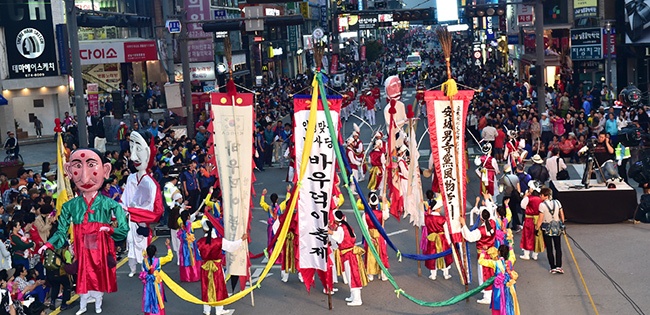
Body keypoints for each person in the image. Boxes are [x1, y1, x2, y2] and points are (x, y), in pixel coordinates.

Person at [39, 148, 129, 315]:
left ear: (106, 170)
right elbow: (61, 232)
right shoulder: (69, 206)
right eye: (77, 167)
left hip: (100, 249)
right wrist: (48, 245)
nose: (85, 176)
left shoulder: (110, 204)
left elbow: (123, 229)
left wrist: (109, 229)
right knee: (83, 277)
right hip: (82, 250)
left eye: (91, 165)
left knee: (97, 276)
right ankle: (83, 305)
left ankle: (98, 303)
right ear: (69, 171)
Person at [121, 131, 164, 278]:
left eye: (137, 149)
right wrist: (124, 209)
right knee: (130, 245)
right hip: (130, 220)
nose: (133, 156)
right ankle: (132, 268)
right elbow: (124, 199)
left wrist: (133, 210)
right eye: (131, 148)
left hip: (142, 222)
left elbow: (154, 210)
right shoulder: (131, 178)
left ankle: (144, 266)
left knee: (142, 245)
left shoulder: (150, 183)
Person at [197, 219, 246, 315]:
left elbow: (199, 254)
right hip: (216, 267)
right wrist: (242, 239)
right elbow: (232, 246)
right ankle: (219, 309)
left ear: (204, 230)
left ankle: (206, 310)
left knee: (206, 287)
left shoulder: (200, 242)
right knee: (219, 287)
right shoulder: (219, 241)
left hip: (205, 268)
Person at [328, 210, 365, 306]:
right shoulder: (347, 226)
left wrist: (330, 232)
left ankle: (357, 299)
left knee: (352, 275)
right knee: (350, 275)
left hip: (348, 254)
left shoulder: (340, 228)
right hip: (349, 253)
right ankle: (353, 296)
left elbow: (338, 238)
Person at [460, 209, 496, 304]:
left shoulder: (481, 231)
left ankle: (487, 296)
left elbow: (469, 237)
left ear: (481, 218)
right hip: (492, 253)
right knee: (490, 273)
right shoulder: (493, 224)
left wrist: (463, 224)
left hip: (483, 255)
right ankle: (491, 293)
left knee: (484, 274)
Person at [478, 244, 520, 315]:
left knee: (498, 304)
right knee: (509, 303)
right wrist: (510, 247)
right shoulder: (510, 262)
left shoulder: (495, 263)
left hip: (499, 288)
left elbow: (481, 261)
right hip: (509, 287)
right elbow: (513, 256)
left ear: (499, 253)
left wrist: (483, 252)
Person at [357, 192, 389, 282]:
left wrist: (369, 237)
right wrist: (385, 203)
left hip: (370, 235)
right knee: (382, 254)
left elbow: (365, 228)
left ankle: (370, 274)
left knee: (370, 254)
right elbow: (387, 215)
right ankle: (383, 274)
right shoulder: (381, 213)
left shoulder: (365, 215)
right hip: (380, 235)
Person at [423, 191, 452, 281]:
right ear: (438, 209)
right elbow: (446, 230)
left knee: (432, 256)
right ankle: (446, 274)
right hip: (442, 238)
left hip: (432, 239)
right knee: (444, 256)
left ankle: (433, 275)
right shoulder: (442, 219)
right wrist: (449, 240)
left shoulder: (427, 217)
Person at [536, 187, 565, 274]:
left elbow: (540, 219)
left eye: (541, 195)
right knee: (558, 247)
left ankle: (552, 267)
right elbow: (562, 215)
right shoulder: (557, 202)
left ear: (545, 196)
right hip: (557, 227)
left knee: (549, 248)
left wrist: (537, 228)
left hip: (547, 227)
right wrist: (562, 224)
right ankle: (559, 266)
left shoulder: (542, 205)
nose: (540, 197)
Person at [140, 239, 173, 315]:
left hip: (148, 283)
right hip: (156, 283)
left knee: (148, 298)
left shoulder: (144, 261)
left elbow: (144, 271)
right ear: (155, 252)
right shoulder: (159, 260)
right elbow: (169, 257)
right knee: (157, 298)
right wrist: (168, 246)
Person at [519, 182, 545, 261]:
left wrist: (525, 196)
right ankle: (535, 254)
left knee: (527, 236)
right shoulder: (541, 199)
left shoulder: (529, 198)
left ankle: (526, 254)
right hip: (538, 219)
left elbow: (523, 205)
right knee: (537, 235)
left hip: (529, 219)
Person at [177, 210, 202, 282]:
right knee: (192, 258)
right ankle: (194, 275)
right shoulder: (189, 224)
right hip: (190, 244)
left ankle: (186, 276)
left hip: (183, 245)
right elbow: (198, 224)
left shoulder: (181, 225)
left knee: (185, 259)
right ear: (188, 216)